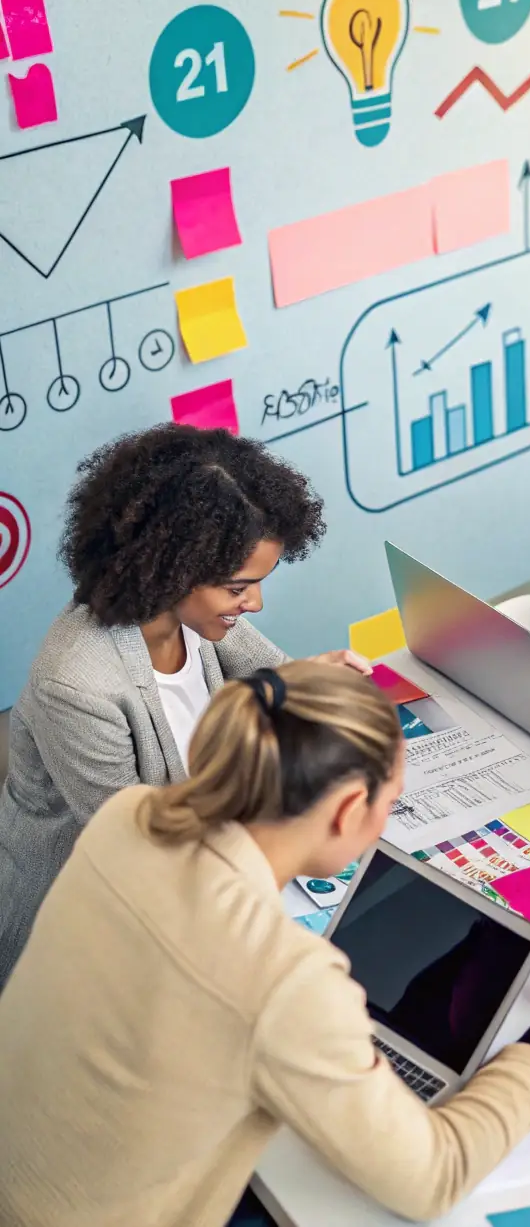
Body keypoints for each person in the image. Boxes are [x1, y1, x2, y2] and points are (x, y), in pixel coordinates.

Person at [0, 663, 530, 1227]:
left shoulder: (130, 815)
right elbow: (436, 1178)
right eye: (391, 801)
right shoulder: (286, 979)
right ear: (350, 807)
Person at [0, 424, 370, 989]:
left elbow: (276, 682)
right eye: (238, 588)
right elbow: (145, 845)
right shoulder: (76, 682)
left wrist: (307, 685)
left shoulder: (202, 622)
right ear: (171, 569)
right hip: (84, 937)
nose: (255, 603)